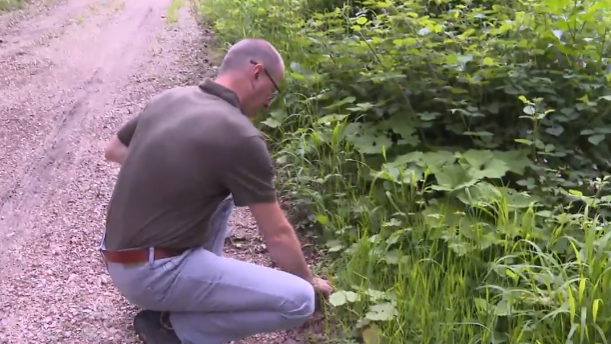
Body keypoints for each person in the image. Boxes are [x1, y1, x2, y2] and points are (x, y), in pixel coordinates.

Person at [100, 38, 333, 344]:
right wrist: (310, 281)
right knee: (300, 299)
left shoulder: (171, 98)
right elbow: (276, 234)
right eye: (273, 91)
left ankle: (186, 298)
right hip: (151, 276)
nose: (268, 103)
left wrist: (171, 173)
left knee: (222, 194)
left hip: (118, 258)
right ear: (257, 73)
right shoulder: (242, 136)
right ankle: (175, 329)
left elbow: (115, 150)